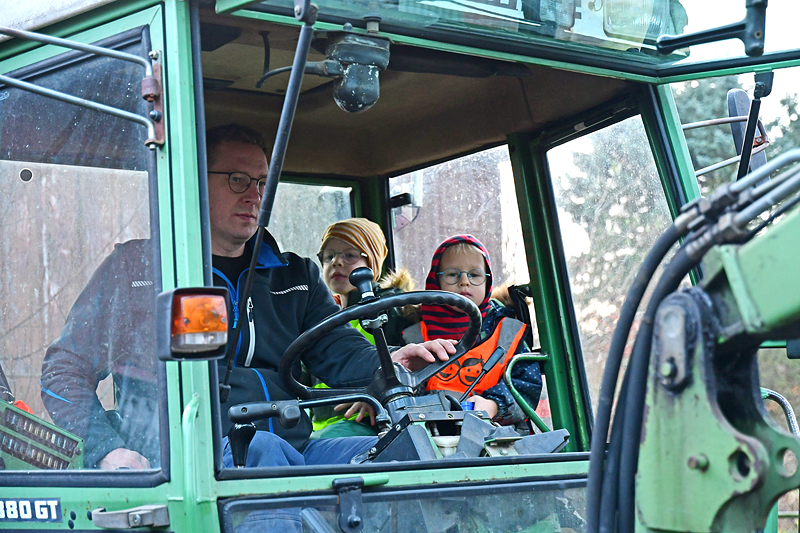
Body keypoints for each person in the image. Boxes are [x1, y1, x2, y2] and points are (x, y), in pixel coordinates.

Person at [40, 124, 454, 471]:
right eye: (237, 180)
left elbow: (339, 350)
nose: (253, 196)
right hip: (190, 464)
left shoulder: (294, 275)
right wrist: (106, 450)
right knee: (262, 449)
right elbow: (64, 369)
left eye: (261, 183)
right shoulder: (140, 272)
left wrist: (391, 361)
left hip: (292, 449)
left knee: (408, 451)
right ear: (196, 181)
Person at [399, 235, 542, 424]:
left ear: (487, 282)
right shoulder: (413, 337)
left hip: (497, 434)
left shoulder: (508, 332)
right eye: (452, 274)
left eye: (474, 275)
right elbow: (398, 388)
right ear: (436, 281)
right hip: (428, 432)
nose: (464, 281)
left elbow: (527, 385)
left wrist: (494, 405)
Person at [309, 218, 415, 437]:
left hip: (370, 424)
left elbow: (408, 368)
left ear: (372, 263)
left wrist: (377, 393)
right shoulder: (316, 318)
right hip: (318, 426)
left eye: (350, 255)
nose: (336, 262)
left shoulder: (390, 312)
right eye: (329, 256)